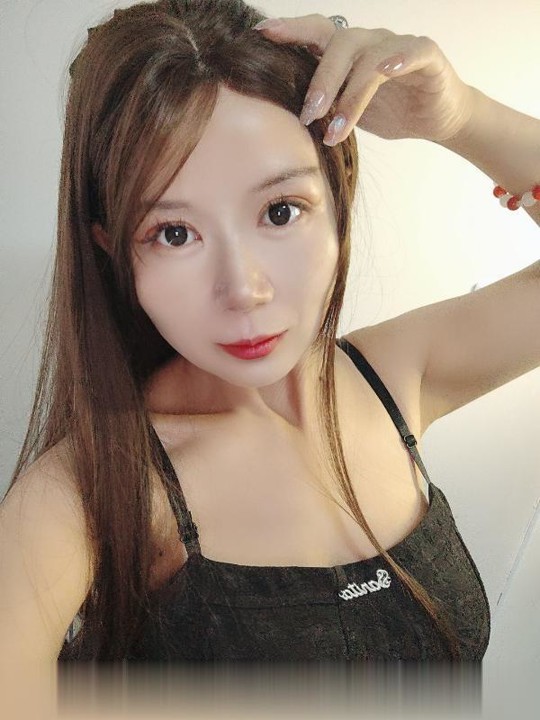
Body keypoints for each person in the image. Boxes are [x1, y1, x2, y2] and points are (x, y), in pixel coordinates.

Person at [1, 0, 539, 676]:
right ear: (112, 251)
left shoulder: (397, 378)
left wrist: (460, 116)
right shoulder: (85, 495)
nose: (244, 288)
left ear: (338, 198)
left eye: (281, 211)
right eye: (174, 233)